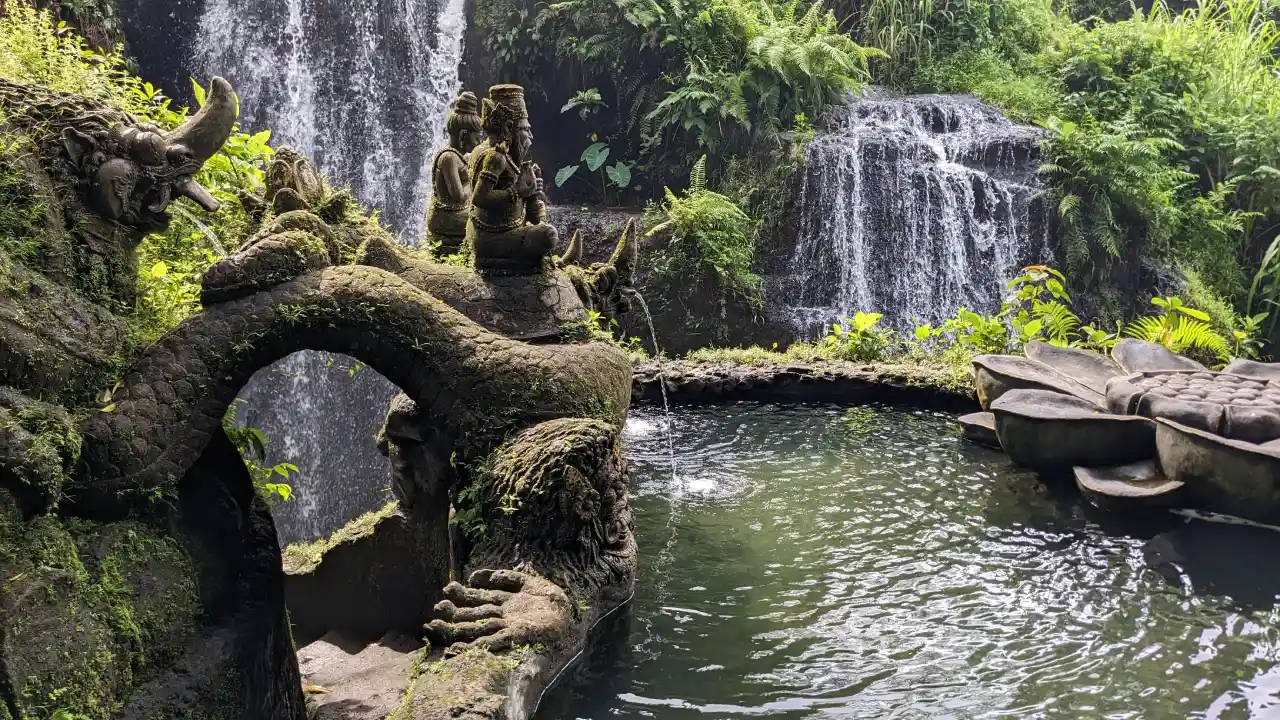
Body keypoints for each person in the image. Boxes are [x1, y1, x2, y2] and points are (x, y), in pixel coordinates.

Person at [465, 84, 557, 275]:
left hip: (495, 231)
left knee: (542, 229)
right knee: (548, 235)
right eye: (525, 129)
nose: (530, 136)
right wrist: (518, 191)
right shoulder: (495, 157)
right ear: (508, 128)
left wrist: (532, 192)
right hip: (492, 238)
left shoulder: (498, 154)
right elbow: (479, 199)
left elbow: (533, 216)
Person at [425, 90, 482, 254]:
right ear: (464, 135)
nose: (479, 142)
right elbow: (458, 196)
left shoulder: (457, 155)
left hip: (457, 213)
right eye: (476, 137)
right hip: (447, 217)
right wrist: (474, 182)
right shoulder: (448, 157)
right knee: (488, 219)